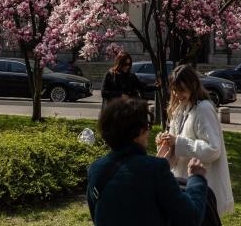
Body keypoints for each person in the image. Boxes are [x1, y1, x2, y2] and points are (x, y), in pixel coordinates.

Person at [87, 97, 208, 226]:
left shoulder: (95, 169)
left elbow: (99, 215)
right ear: (138, 132)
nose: (148, 131)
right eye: (147, 126)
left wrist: (155, 164)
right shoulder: (155, 169)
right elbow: (191, 217)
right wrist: (196, 178)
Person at [156, 64, 234, 216]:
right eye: (175, 90)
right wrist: (166, 140)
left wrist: (178, 142)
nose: (178, 95)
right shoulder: (180, 108)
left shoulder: (203, 109)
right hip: (183, 182)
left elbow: (213, 149)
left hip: (202, 181)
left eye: (182, 90)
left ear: (192, 86)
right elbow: (176, 138)